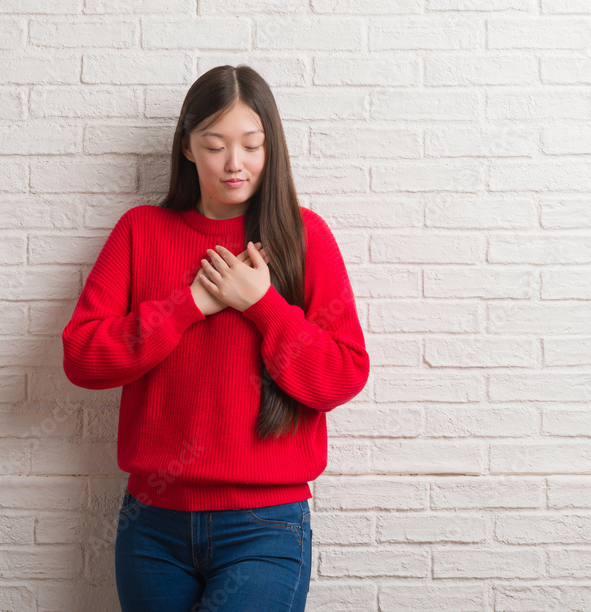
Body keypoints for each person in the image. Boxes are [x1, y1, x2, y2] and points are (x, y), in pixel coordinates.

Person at [61, 64, 370, 612]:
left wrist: (262, 305)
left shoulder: (305, 236)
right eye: (215, 144)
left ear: (270, 147)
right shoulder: (140, 231)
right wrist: (192, 305)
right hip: (153, 527)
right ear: (187, 148)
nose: (235, 163)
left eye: (252, 145)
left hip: (266, 527)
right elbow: (83, 355)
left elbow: (343, 374)